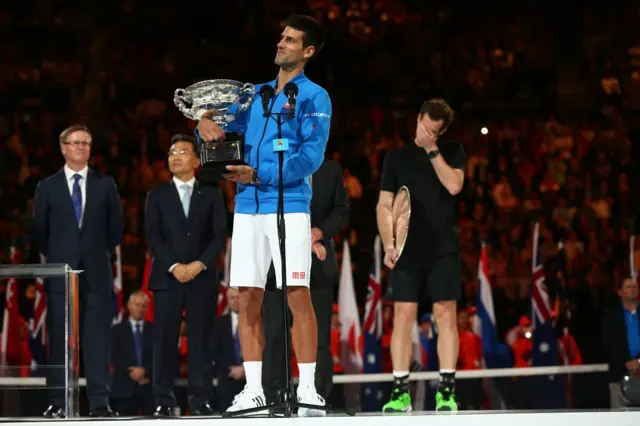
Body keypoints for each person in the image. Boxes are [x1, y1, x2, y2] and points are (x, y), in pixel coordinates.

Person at [196, 14, 331, 416]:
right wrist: (203, 122)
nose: (281, 43)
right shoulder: (255, 94)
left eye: (290, 40)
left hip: (289, 206)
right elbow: (219, 128)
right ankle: (253, 390)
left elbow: (311, 157)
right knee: (248, 297)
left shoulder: (314, 97)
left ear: (307, 51)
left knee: (297, 295)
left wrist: (259, 175)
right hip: (247, 208)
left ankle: (307, 388)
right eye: (281, 37)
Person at [376, 99, 465, 412]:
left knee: (445, 313)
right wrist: (389, 243)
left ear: (441, 132)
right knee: (403, 316)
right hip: (407, 250)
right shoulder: (396, 158)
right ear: (418, 118)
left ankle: (447, 391)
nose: (428, 132)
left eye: (434, 130)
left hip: (443, 247)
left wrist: (432, 151)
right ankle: (400, 391)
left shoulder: (451, 151)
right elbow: (384, 205)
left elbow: (455, 186)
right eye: (425, 126)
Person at [33, 124, 124, 418]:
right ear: (63, 148)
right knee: (59, 339)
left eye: (86, 143)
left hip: (96, 274)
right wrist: (65, 255)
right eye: (75, 143)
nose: (81, 147)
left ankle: (99, 402)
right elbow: (40, 234)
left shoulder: (105, 184)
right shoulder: (46, 187)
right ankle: (58, 402)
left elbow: (116, 230)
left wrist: (94, 253)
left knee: (97, 339)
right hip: (60, 275)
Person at [144, 135, 227, 416]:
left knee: (201, 341)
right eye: (171, 152)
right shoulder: (156, 195)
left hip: (202, 277)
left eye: (182, 151)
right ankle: (163, 400)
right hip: (168, 278)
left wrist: (199, 265)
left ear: (196, 160)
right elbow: (153, 237)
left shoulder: (212, 194)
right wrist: (175, 267)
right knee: (165, 341)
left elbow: (219, 236)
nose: (175, 156)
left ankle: (200, 400)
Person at [262, 159, 349, 404]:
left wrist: (316, 233)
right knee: (276, 333)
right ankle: (275, 396)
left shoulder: (331, 169)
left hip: (318, 264)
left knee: (319, 335)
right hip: (276, 260)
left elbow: (341, 210)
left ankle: (316, 394)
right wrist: (299, 238)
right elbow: (264, 208)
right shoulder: (275, 163)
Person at [109, 292, 154, 416]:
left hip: (149, 389)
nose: (140, 309)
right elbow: (113, 356)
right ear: (129, 306)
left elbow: (160, 357)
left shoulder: (155, 331)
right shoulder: (116, 330)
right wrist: (130, 371)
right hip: (123, 389)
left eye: (144, 306)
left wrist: (145, 371)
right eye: (137, 305)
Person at [601, 277, 640, 408]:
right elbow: (608, 343)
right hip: (619, 374)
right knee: (620, 417)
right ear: (620, 292)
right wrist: (627, 361)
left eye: (635, 286)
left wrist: (638, 362)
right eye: (628, 287)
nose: (633, 290)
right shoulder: (611, 315)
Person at [212, 287, 246, 411]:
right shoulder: (218, 323)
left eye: (238, 297)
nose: (236, 301)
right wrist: (231, 369)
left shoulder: (256, 321)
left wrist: (246, 370)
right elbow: (214, 352)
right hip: (227, 380)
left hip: (251, 380)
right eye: (232, 298)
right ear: (227, 300)